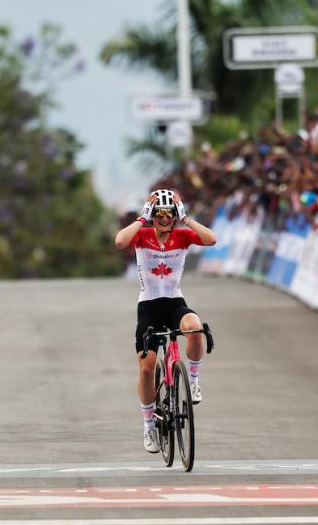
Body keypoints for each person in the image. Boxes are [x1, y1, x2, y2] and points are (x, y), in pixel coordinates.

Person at [113, 188, 217, 454]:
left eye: (168, 214)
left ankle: (193, 381)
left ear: (174, 215)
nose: (163, 218)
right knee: (146, 369)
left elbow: (211, 239)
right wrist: (141, 219)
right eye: (158, 213)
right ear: (152, 214)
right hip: (148, 307)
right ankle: (148, 425)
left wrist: (187, 218)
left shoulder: (182, 235)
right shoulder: (142, 235)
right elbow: (120, 241)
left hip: (173, 303)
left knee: (195, 327)